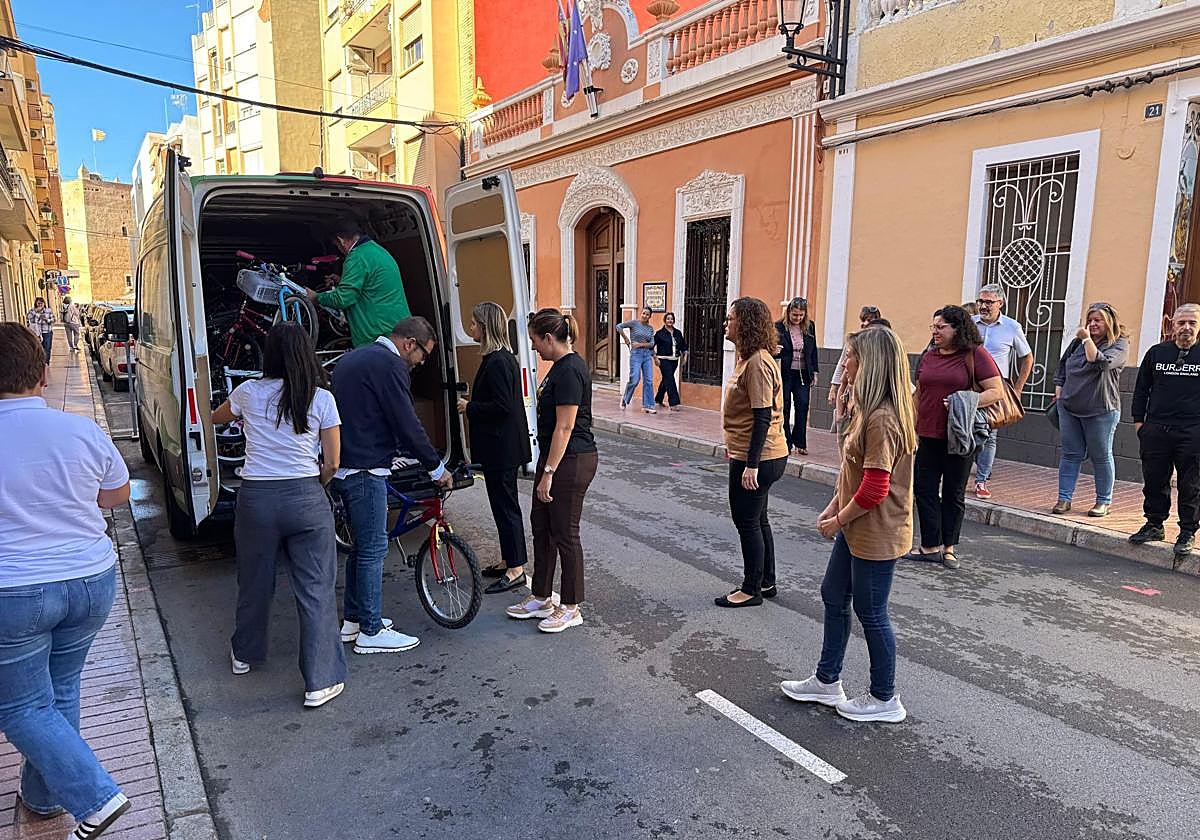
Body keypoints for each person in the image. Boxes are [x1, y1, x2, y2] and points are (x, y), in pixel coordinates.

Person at [0, 323, 133, 836]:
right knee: (60, 689)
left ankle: (95, 796)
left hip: (14, 591)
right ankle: (42, 795)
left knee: (19, 704)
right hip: (90, 581)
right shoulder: (79, 429)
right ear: (41, 372)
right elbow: (115, 495)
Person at [781, 326, 916, 723]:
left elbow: (875, 488)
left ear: (870, 363)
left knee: (872, 612)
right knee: (833, 594)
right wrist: (833, 507)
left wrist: (837, 520)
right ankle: (827, 681)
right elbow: (854, 474)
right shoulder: (868, 411)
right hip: (858, 526)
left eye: (851, 357)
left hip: (876, 530)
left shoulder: (883, 420)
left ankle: (884, 698)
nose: (846, 363)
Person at [211, 323, 347, 708]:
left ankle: (244, 654)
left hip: (256, 500)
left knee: (254, 581)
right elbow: (334, 460)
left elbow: (216, 417)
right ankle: (320, 681)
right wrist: (314, 484)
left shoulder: (248, 393)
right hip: (305, 495)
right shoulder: (321, 398)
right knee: (316, 588)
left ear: (268, 355)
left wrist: (242, 418)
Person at [330, 316, 453, 653]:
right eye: (423, 355)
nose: (420, 363)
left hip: (344, 466)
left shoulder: (354, 357)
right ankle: (371, 632)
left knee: (360, 548)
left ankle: (355, 621)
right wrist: (435, 467)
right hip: (367, 470)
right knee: (373, 550)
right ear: (408, 344)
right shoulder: (390, 365)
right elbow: (406, 422)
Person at [506, 309, 598, 633]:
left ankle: (571, 606)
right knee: (541, 527)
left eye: (534, 341)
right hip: (557, 458)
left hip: (571, 460)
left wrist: (547, 472)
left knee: (565, 533)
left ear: (548, 338)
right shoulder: (559, 368)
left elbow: (565, 427)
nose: (534, 348)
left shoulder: (571, 369)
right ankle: (541, 595)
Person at [911, 305, 1004, 569]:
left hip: (959, 436)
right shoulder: (929, 355)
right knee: (924, 489)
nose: (936, 332)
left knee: (953, 492)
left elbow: (996, 391)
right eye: (934, 327)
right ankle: (929, 546)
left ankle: (949, 548)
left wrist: (964, 400)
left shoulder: (975, 355)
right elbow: (919, 392)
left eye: (941, 327)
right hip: (927, 433)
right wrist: (909, 420)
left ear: (957, 329)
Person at [715, 297, 789, 607]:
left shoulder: (758, 362)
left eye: (731, 318)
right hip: (752, 452)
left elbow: (761, 415)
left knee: (747, 521)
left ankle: (751, 589)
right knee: (758, 520)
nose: (726, 324)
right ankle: (765, 581)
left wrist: (751, 465)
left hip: (759, 456)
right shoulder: (750, 358)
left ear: (745, 324)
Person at [457, 302, 532, 595]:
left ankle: (516, 569)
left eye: (474, 324)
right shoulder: (499, 358)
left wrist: (470, 407)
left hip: (502, 449)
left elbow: (503, 407)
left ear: (485, 327)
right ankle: (508, 559)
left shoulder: (500, 361)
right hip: (500, 448)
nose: (471, 328)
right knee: (501, 506)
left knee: (506, 508)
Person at [1130, 303, 1200, 560]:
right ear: (1172, 325)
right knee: (1155, 479)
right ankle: (1154, 524)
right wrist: (1140, 423)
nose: (1186, 328)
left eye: (1192, 323)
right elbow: (1141, 390)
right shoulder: (1157, 353)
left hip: (1192, 431)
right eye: (1181, 323)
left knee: (1190, 484)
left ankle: (1187, 532)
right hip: (1156, 429)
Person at [1051, 303, 1129, 518]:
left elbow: (1100, 363)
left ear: (1110, 322)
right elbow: (1063, 365)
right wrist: (1059, 389)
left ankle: (1104, 501)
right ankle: (1064, 498)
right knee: (1070, 454)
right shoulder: (1077, 343)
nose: (1093, 324)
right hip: (1069, 407)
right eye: (1091, 319)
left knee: (1101, 456)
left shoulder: (1119, 344)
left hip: (1100, 409)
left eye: (1098, 320)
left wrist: (1086, 339)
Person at [971, 284, 1034, 500]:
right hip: (969, 386)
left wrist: (1017, 389)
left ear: (1000, 303)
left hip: (996, 388)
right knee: (965, 430)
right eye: (981, 301)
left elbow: (1027, 357)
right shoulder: (970, 325)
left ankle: (981, 480)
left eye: (988, 302)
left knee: (989, 434)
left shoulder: (1011, 327)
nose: (983, 306)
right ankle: (965, 471)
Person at [304, 221, 410, 348]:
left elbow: (343, 298)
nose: (339, 250)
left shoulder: (357, 256)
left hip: (379, 335)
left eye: (336, 245)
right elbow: (371, 282)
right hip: (398, 330)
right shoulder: (375, 250)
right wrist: (342, 280)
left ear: (341, 241)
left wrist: (316, 297)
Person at [774, 297, 819, 455]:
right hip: (785, 373)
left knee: (802, 405)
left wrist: (815, 371)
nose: (797, 318)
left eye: (800, 315)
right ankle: (786, 442)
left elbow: (813, 351)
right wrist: (776, 351)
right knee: (784, 407)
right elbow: (772, 347)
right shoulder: (779, 326)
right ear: (788, 313)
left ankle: (800, 442)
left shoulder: (810, 327)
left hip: (803, 373)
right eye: (794, 315)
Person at [829, 307, 883, 427]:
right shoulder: (854, 340)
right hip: (852, 395)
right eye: (863, 320)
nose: (864, 323)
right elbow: (842, 366)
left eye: (869, 320)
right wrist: (833, 388)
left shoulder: (881, 344)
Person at [618, 307, 657, 413]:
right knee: (635, 379)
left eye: (647, 314)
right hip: (636, 355)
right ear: (641, 313)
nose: (645, 316)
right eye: (643, 313)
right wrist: (626, 338)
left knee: (648, 380)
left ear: (650, 316)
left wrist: (640, 344)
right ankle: (625, 398)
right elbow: (619, 326)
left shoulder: (650, 328)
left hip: (647, 355)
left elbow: (652, 343)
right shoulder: (634, 323)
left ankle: (648, 405)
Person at [653, 311, 688, 411]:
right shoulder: (659, 334)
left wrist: (685, 355)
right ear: (665, 320)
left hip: (674, 360)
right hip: (663, 360)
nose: (670, 320)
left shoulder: (678, 333)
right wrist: (655, 358)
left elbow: (683, 346)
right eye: (668, 319)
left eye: (671, 319)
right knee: (670, 379)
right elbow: (652, 346)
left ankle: (658, 398)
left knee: (666, 379)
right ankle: (673, 403)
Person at [26, 296, 55, 363]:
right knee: (38, 348)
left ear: (44, 303)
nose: (40, 305)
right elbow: (28, 317)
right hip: (37, 332)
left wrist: (47, 320)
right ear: (36, 304)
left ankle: (46, 362)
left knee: (47, 348)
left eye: (41, 303)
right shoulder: (32, 311)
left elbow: (53, 319)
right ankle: (40, 362)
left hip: (47, 332)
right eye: (38, 303)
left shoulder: (48, 310)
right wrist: (36, 311)